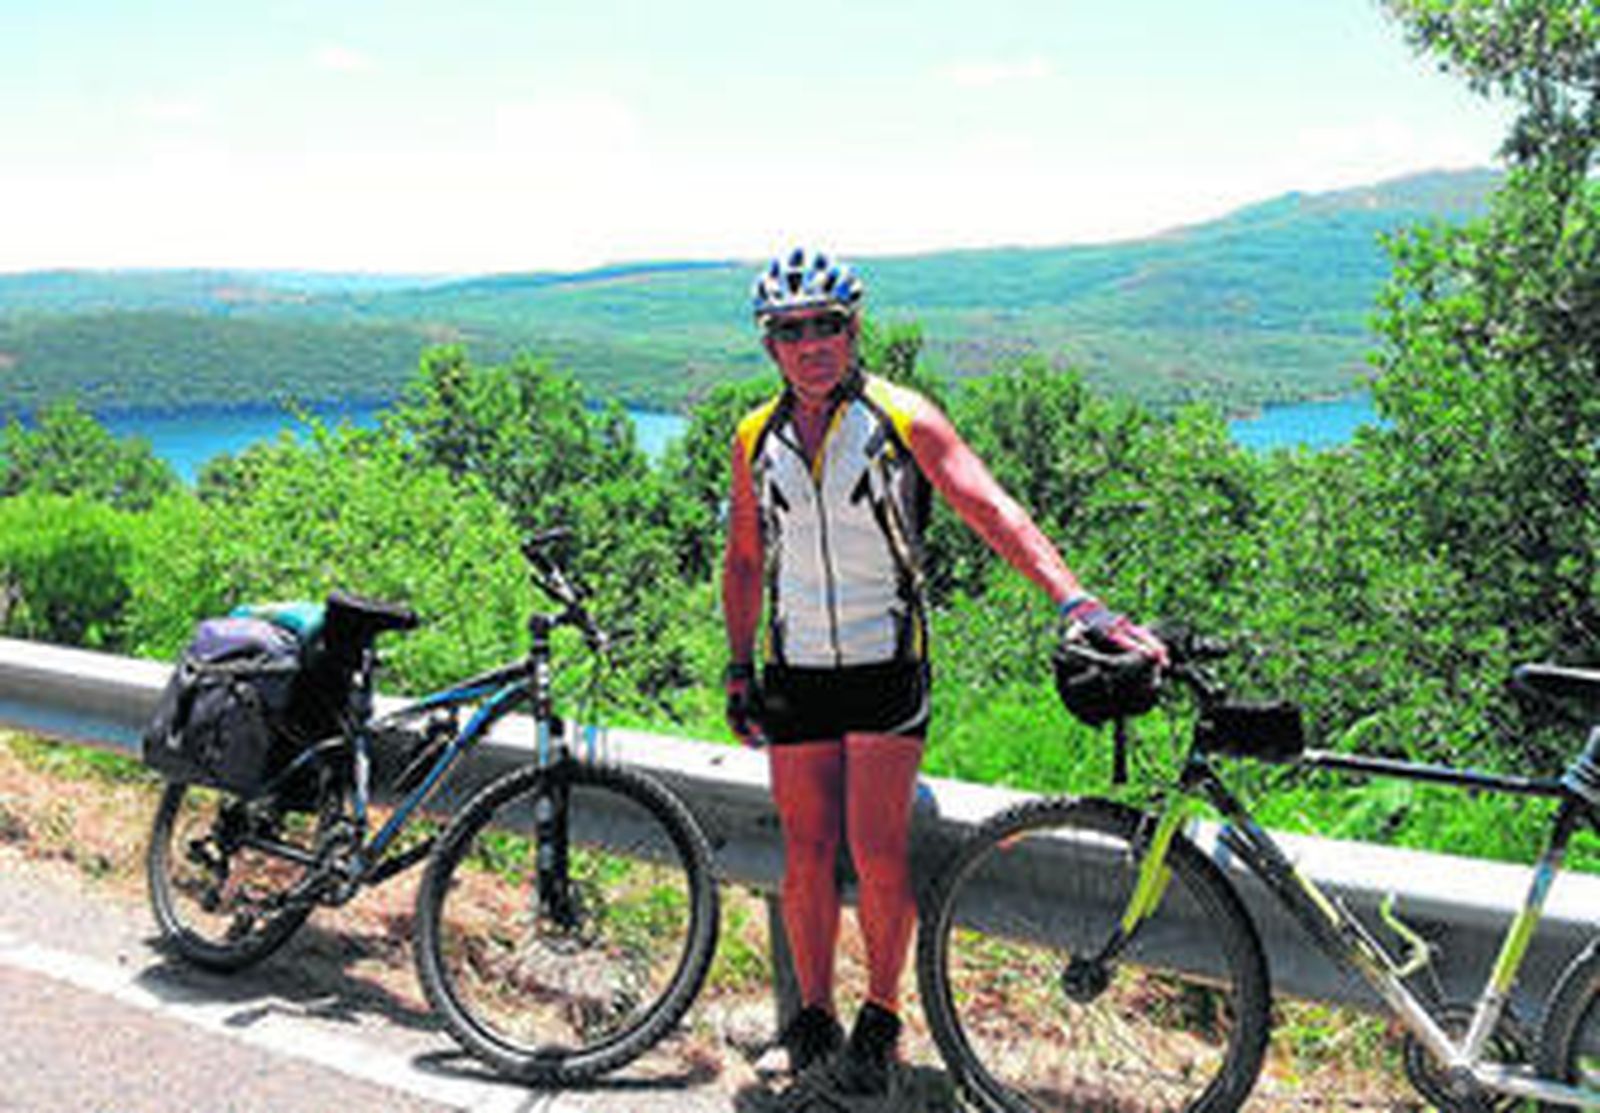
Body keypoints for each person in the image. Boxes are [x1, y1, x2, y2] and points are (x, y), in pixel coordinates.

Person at [721, 247, 1166, 1097]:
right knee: (807, 850)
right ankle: (812, 1015)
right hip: (797, 663)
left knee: (877, 850)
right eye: (791, 330)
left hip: (888, 662)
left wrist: (1079, 604)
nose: (812, 343)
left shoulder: (902, 415)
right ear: (770, 343)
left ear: (854, 330)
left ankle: (879, 1020)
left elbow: (991, 506)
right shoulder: (753, 435)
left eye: (828, 325)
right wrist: (741, 666)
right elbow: (745, 559)